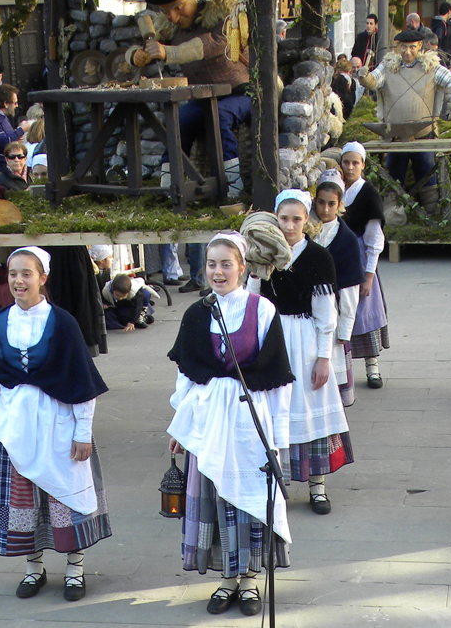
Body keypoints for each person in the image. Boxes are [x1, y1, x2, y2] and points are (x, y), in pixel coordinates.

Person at [0, 246, 111, 602]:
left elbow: (83, 383)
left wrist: (83, 432)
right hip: (15, 425)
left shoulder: (62, 322)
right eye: (12, 274)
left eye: (26, 273)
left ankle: (74, 569)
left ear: (43, 278)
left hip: (58, 423)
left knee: (62, 495)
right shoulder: (0, 320)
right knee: (23, 500)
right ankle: (33, 567)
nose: (18, 281)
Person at [165, 233, 293, 615]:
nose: (218, 272)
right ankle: (225, 580)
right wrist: (179, 426)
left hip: (249, 423)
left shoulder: (263, 310)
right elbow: (186, 377)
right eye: (211, 264)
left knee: (250, 499)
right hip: (208, 424)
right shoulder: (195, 314)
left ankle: (251, 581)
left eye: (226, 264)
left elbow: (277, 380)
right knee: (216, 499)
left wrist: (278, 438)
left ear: (242, 267)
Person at [253, 190, 351, 514]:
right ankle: (275, 485)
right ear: (276, 219)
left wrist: (325, 357)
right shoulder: (265, 256)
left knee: (309, 407)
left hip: (305, 340)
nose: (290, 225)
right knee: (272, 411)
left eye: (297, 219)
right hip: (271, 338)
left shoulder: (318, 257)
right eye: (284, 218)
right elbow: (251, 301)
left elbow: (326, 315)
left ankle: (317, 486)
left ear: (306, 220)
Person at [132, 0, 252, 198]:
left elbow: (212, 44)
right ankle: (170, 188)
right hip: (205, 98)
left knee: (221, 116)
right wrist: (135, 55)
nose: (174, 17)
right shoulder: (169, 29)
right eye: (166, 12)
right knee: (178, 121)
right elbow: (137, 47)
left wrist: (168, 52)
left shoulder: (226, 18)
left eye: (178, 7)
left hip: (244, 94)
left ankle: (234, 190)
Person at [358, 29, 451, 215]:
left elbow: (450, 80)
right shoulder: (388, 66)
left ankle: (433, 214)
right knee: (394, 175)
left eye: (412, 47)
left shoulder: (431, 66)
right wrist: (364, 77)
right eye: (403, 47)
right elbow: (374, 81)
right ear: (398, 47)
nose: (407, 52)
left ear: (419, 46)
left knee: (427, 172)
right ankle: (393, 215)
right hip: (394, 136)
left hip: (424, 133)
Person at [310, 170, 364, 409]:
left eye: (331, 204)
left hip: (333, 307)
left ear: (340, 205)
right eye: (321, 202)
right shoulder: (308, 232)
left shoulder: (346, 239)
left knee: (329, 358)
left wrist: (345, 328)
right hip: (307, 309)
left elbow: (350, 289)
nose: (325, 209)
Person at [338, 142, 390, 389]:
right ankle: (341, 370)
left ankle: (372, 368)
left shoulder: (368, 193)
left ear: (363, 165)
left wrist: (369, 275)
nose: (350, 167)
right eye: (346, 162)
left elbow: (374, 238)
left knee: (365, 313)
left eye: (355, 163)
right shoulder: (336, 190)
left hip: (360, 258)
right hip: (339, 259)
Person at [0, 84, 29, 172]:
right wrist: (21, 130)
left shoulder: (3, 117)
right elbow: (5, 142)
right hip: (0, 168)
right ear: (6, 104)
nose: (17, 105)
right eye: (15, 103)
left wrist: (17, 137)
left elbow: (9, 137)